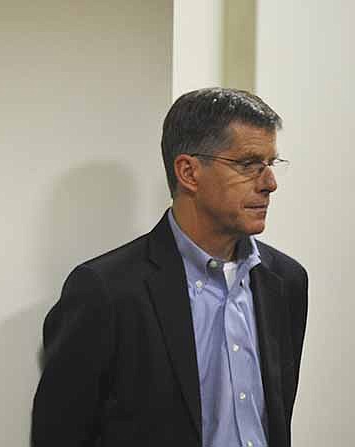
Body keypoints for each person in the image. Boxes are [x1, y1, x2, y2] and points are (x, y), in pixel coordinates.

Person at [32, 88, 308, 447]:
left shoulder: (285, 281)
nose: (269, 183)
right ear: (189, 172)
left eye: (271, 164)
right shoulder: (105, 290)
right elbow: (60, 435)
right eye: (248, 165)